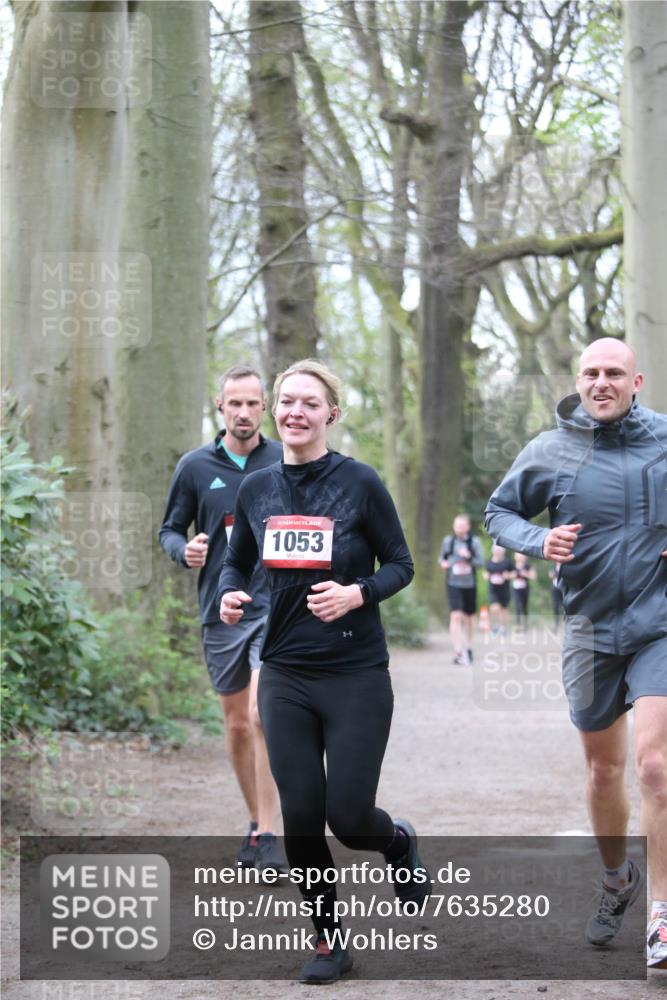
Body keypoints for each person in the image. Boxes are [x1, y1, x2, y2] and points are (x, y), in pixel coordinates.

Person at [219, 359, 428, 984]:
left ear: (331, 414)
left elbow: (401, 564)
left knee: (350, 816)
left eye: (309, 403)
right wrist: (232, 594)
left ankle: (395, 842)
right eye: (286, 402)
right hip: (285, 671)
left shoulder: (360, 483)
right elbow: (236, 564)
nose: (294, 413)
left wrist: (356, 593)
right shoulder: (256, 488)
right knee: (303, 815)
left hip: (356, 672)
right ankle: (329, 942)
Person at [485, 337, 667, 969]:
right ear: (579, 380)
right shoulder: (550, 449)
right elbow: (499, 512)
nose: (602, 382)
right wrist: (539, 539)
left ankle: (662, 918)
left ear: (635, 380)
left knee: (654, 767)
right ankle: (618, 879)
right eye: (591, 372)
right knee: (604, 771)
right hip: (589, 631)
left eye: (614, 373)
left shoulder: (665, 441)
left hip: (658, 627)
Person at [159, 364, 287, 874]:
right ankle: (256, 822)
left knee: (261, 715)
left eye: (253, 403)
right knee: (236, 724)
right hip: (222, 608)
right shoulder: (194, 466)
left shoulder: (284, 458)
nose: (244, 412)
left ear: (265, 408)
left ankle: (272, 836)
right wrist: (182, 549)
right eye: (234, 403)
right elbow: (169, 529)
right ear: (220, 406)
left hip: (276, 605)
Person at [438, 513, 484, 664]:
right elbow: (442, 558)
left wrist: (469, 557)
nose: (459, 529)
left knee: (469, 618)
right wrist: (444, 564)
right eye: (456, 526)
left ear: (468, 527)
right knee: (456, 616)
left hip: (469, 584)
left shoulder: (474, 542)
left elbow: (480, 563)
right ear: (453, 526)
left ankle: (469, 648)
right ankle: (457, 651)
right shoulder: (448, 541)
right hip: (453, 583)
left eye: (462, 526)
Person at [483, 544, 514, 635]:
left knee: (504, 609)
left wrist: (508, 575)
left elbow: (514, 573)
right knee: (494, 608)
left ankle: (503, 627)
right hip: (493, 589)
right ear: (493, 551)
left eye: (500, 550)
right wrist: (487, 576)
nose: (499, 552)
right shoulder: (489, 562)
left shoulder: (507, 562)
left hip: (504, 589)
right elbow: (485, 574)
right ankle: (495, 625)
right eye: (497, 550)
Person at [511, 552, 537, 628]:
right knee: (517, 606)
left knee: (524, 606)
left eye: (521, 556)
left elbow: (534, 576)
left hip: (525, 589)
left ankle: (525, 623)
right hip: (516, 589)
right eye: (518, 556)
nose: (520, 558)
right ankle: (518, 624)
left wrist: (525, 574)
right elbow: (507, 575)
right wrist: (513, 574)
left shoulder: (527, 566)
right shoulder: (513, 566)